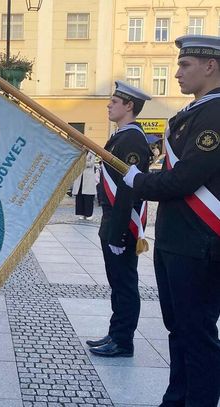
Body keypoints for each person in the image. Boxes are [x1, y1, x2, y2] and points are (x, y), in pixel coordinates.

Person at [123, 35, 220, 406]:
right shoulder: (193, 113)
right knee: (178, 329)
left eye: (185, 65)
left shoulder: (214, 114)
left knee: (197, 334)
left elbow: (185, 177)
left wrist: (139, 180)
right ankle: (177, 397)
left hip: (200, 242)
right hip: (176, 239)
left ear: (210, 66)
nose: (177, 72)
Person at [87, 81, 151, 358]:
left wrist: (118, 234)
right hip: (112, 220)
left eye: (114, 102)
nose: (108, 105)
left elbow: (129, 189)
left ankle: (123, 341)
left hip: (121, 224)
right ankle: (116, 333)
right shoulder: (121, 136)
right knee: (118, 283)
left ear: (129, 106)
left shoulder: (133, 139)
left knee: (125, 284)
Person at [72, 151, 96, 220]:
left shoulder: (92, 153)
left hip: (88, 177)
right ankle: (81, 213)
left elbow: (91, 164)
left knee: (88, 196)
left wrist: (82, 163)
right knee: (80, 195)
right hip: (80, 176)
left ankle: (89, 214)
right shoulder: (79, 152)